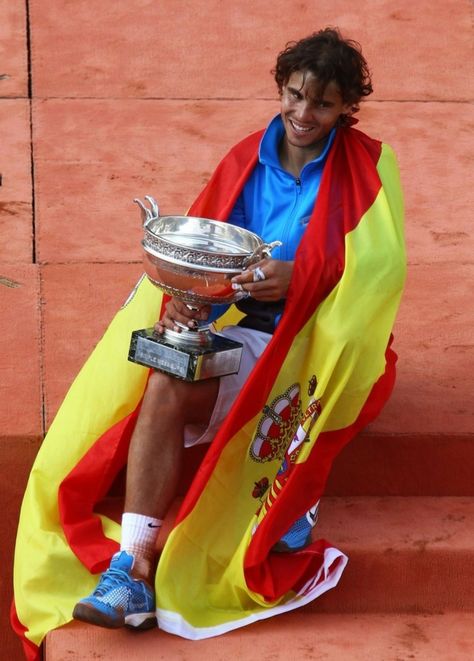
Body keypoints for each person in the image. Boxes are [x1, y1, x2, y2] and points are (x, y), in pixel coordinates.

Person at [12, 28, 405, 652]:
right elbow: (206, 240)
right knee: (167, 373)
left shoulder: (370, 167)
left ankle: (291, 491)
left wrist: (299, 278)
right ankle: (133, 569)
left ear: (346, 109)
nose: (304, 115)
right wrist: (185, 309)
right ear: (281, 88)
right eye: (295, 95)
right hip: (248, 335)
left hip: (320, 351)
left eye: (323, 104)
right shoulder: (246, 156)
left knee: (280, 454)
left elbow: (380, 273)